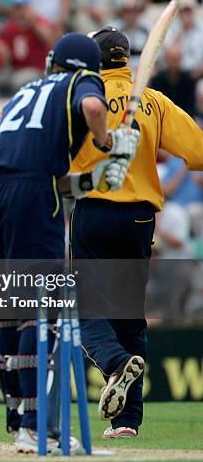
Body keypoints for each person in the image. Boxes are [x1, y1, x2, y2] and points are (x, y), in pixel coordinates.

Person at [0, 33, 136, 453]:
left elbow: (3, 140)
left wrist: (95, 180)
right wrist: (108, 143)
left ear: (51, 62)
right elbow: (94, 108)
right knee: (39, 314)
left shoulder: (27, 91)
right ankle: (36, 425)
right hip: (29, 197)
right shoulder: (83, 82)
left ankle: (20, 418)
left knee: (7, 315)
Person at [69, 27, 203, 440]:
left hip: (93, 211)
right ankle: (127, 421)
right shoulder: (154, 101)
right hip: (140, 219)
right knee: (129, 315)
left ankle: (113, 363)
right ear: (127, 60)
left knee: (85, 309)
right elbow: (198, 153)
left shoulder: (80, 94)